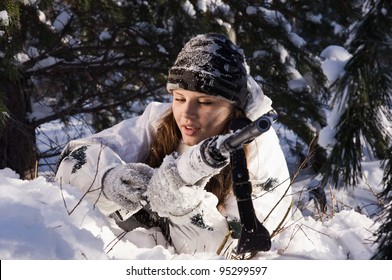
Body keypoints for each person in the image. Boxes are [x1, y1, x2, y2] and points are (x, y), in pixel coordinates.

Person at [55, 33, 293, 256]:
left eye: (205, 102)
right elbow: (74, 158)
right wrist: (108, 179)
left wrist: (184, 208)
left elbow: (232, 253)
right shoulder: (160, 120)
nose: (186, 114)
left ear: (234, 107)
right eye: (179, 98)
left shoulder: (259, 151)